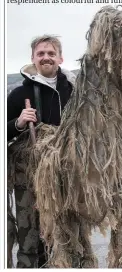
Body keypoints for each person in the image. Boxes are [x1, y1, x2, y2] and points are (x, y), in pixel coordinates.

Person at [7, 35, 74, 268]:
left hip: (65, 175)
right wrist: (18, 123)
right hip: (29, 177)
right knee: (30, 239)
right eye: (41, 54)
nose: (46, 57)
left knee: (61, 236)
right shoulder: (18, 95)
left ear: (60, 58)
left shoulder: (74, 93)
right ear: (33, 59)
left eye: (51, 53)